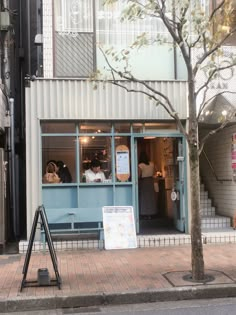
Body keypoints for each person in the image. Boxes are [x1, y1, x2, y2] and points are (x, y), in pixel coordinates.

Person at [138, 151, 157, 218]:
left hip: (144, 181)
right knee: (151, 198)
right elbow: (155, 173)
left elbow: (139, 175)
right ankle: (151, 214)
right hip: (150, 181)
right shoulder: (152, 164)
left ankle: (144, 213)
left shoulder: (141, 165)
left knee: (144, 198)